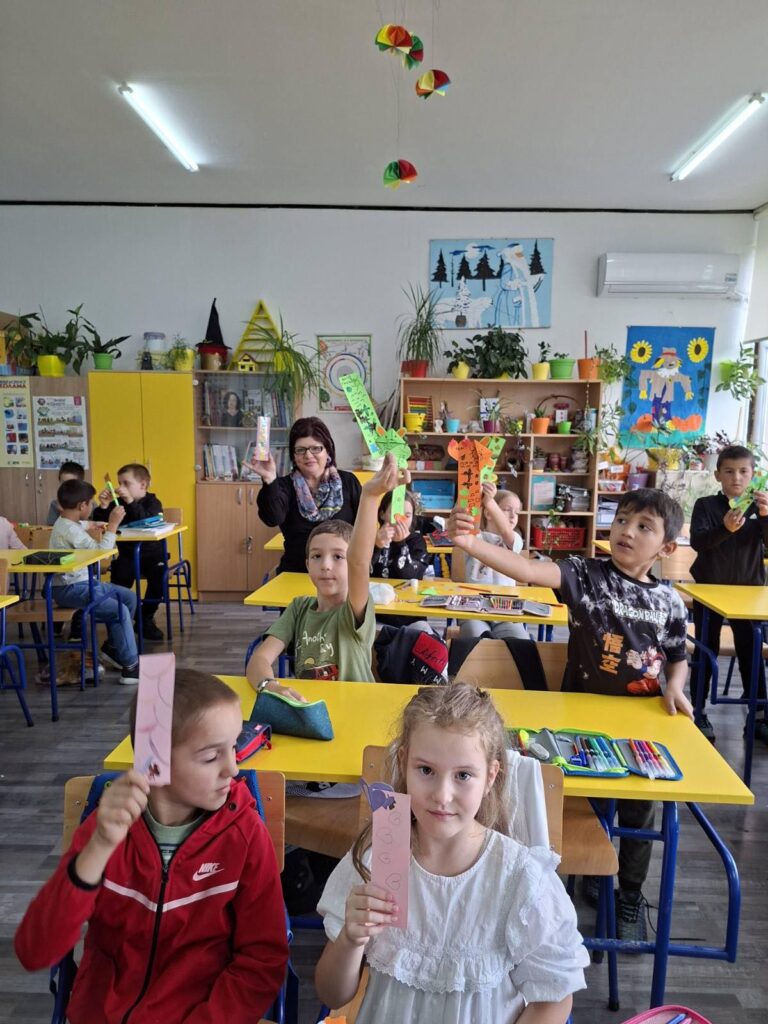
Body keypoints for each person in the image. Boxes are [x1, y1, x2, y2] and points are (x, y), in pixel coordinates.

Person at [447, 487, 692, 942]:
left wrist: (675, 686)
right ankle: (554, 887)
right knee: (567, 804)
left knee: (641, 811)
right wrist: (469, 543)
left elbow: (677, 657)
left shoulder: (670, 602)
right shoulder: (586, 574)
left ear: (667, 547)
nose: (627, 531)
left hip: (638, 726)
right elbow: (526, 569)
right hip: (577, 724)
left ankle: (630, 894)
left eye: (644, 526)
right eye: (622, 520)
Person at [15, 669, 289, 1023]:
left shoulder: (245, 834)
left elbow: (262, 960)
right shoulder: (105, 830)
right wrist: (98, 848)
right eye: (211, 757)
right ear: (155, 761)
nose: (233, 769)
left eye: (234, 747)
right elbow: (35, 951)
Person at [315, 683, 588, 1022]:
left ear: (490, 777)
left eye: (463, 775)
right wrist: (350, 940)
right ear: (403, 762)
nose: (442, 795)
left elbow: (554, 998)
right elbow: (331, 994)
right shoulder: (375, 860)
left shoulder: (520, 878)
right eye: (426, 770)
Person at [246, 453, 407, 691]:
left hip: (355, 706)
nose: (326, 565)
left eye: (338, 556)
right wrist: (270, 686)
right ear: (307, 564)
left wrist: (370, 495)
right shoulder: (298, 608)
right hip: (311, 707)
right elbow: (259, 659)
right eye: (317, 556)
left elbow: (359, 562)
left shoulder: (355, 607)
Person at [690, 444, 768, 744]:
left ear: (753, 475)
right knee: (705, 647)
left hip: (747, 593)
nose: (737, 478)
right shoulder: (706, 505)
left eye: (743, 471)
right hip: (709, 589)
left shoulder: (759, 507)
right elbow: (698, 542)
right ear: (717, 475)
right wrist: (724, 528)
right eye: (729, 471)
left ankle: (758, 715)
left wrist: (765, 516)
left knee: (751, 649)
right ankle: (697, 711)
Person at [49, 479, 139, 684]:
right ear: (82, 505)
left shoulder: (67, 522)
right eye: (90, 503)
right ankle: (131, 666)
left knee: (128, 597)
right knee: (119, 610)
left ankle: (113, 649)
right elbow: (101, 553)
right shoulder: (69, 530)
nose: (92, 506)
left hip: (83, 582)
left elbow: (81, 524)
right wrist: (112, 525)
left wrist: (93, 524)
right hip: (70, 588)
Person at [251, 416, 361, 574]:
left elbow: (363, 529)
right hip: (296, 572)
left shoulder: (348, 482)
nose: (308, 455)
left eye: (316, 448)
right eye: (300, 450)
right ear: (294, 456)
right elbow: (272, 518)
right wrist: (270, 479)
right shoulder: (283, 486)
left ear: (328, 450)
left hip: (342, 575)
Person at [92, 462, 166, 641]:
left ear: (143, 485)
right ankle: (121, 617)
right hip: (127, 554)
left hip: (152, 554)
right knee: (119, 577)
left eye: (126, 483)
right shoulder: (118, 504)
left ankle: (145, 617)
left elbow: (145, 519)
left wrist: (131, 502)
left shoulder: (153, 503)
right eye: (119, 483)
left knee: (160, 578)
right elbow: (100, 524)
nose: (120, 488)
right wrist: (103, 506)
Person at [459, 483, 529, 641]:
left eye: (516, 512)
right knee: (475, 639)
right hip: (473, 609)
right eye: (507, 509)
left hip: (506, 611)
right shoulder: (474, 538)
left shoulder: (515, 540)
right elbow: (467, 524)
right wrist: (479, 497)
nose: (513, 516)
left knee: (521, 643)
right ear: (488, 514)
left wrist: (489, 502)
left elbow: (506, 531)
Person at [46, 461, 86, 526]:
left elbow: (99, 526)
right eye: (63, 483)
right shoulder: (55, 504)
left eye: (71, 483)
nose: (67, 487)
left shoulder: (89, 504)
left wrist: (103, 507)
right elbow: (51, 526)